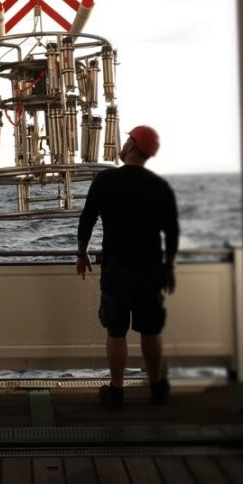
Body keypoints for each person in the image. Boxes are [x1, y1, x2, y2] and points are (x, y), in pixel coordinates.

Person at [76, 124, 179, 407]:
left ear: (132, 146)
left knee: (116, 331)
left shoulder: (105, 180)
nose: (122, 146)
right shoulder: (158, 186)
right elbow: (171, 232)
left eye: (126, 142)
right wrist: (168, 268)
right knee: (150, 330)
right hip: (150, 270)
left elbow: (87, 219)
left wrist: (81, 253)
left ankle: (116, 390)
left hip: (117, 268)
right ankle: (157, 386)